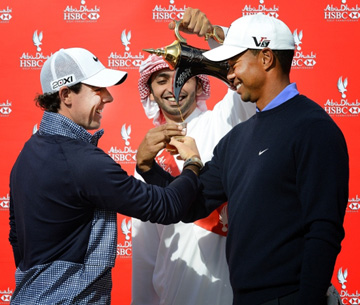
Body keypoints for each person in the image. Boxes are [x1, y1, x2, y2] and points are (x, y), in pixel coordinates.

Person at [136, 10, 349, 305]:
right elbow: (190, 206)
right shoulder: (236, 138)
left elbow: (323, 230)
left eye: (234, 63)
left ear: (266, 59)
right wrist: (148, 168)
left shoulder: (314, 128)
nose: (230, 74)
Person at [8, 47, 202, 305]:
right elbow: (167, 207)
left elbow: (16, 238)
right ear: (66, 95)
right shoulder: (83, 161)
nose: (108, 98)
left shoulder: (28, 151)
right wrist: (192, 162)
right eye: (98, 89)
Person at [131, 47, 255, 304]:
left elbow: (249, 74)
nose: (172, 87)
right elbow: (145, 249)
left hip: (234, 283)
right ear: (151, 94)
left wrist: (213, 38)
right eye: (161, 80)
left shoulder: (225, 119)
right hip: (177, 289)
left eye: (181, 76)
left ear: (200, 85)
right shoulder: (148, 156)